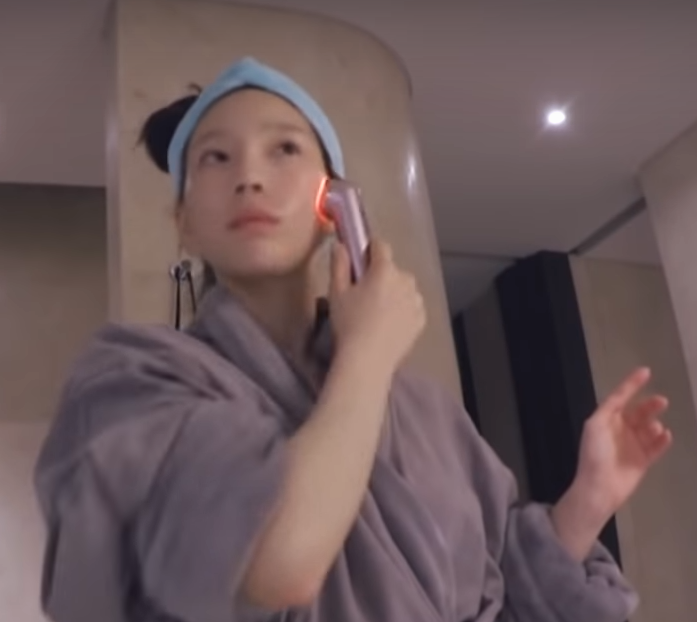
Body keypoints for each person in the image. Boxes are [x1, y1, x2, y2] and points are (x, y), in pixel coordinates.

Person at [34, 57, 672, 622]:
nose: (249, 176)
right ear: (185, 223)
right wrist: (366, 354)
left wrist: (589, 499)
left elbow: (511, 593)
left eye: (284, 149)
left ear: (334, 201)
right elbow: (273, 563)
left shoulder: (427, 414)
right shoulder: (131, 381)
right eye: (215, 158)